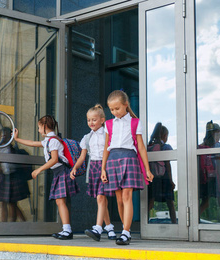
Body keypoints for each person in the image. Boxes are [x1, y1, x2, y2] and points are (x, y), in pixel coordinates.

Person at [14, 115, 80, 239]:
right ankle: (66, 229)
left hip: (62, 172)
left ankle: (67, 230)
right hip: (58, 173)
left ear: (44, 126)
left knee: (60, 201)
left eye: (39, 127)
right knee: (60, 201)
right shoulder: (49, 141)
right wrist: (17, 139)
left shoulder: (53, 141)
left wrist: (39, 169)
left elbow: (54, 159)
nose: (38, 130)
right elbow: (33, 143)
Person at [101, 90, 153, 245]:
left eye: (117, 108)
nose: (114, 112)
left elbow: (142, 148)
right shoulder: (108, 124)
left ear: (126, 105)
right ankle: (126, 230)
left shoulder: (135, 122)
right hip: (113, 160)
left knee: (126, 196)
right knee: (118, 199)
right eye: (111, 109)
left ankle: (125, 232)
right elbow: (106, 147)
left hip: (129, 159)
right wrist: (103, 168)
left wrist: (147, 169)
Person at [70, 104, 117, 241]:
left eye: (94, 120)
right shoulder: (87, 137)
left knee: (101, 197)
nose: (91, 122)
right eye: (89, 120)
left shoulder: (107, 134)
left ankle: (98, 228)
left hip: (105, 166)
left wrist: (108, 167)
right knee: (101, 198)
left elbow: (108, 151)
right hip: (93, 168)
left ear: (102, 120)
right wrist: (75, 167)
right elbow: (83, 157)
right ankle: (109, 227)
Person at [0, 127, 28, 222]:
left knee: (11, 203)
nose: (3, 137)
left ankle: (15, 222)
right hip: (5, 176)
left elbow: (6, 167)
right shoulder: (0, 147)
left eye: (5, 135)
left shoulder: (9, 149)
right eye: (2, 135)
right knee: (2, 202)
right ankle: (6, 222)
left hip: (11, 176)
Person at [199, 121, 220, 224]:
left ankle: (194, 219)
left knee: (205, 202)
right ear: (216, 132)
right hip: (215, 177)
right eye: (219, 134)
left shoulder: (201, 146)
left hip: (205, 178)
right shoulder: (216, 145)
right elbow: (219, 164)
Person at [147, 123, 177, 224]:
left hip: (153, 177)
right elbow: (167, 164)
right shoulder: (165, 146)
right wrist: (171, 180)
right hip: (164, 177)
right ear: (165, 136)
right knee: (170, 203)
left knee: (151, 201)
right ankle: (174, 223)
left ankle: (145, 221)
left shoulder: (150, 146)